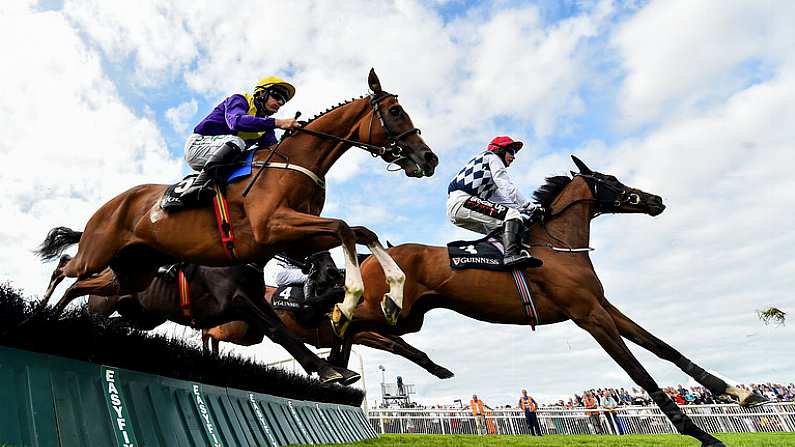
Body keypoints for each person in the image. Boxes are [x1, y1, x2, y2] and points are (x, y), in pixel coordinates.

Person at [181, 76, 301, 202]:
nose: (280, 103)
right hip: (198, 145)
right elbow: (236, 122)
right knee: (237, 142)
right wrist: (278, 122)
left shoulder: (266, 126)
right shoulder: (239, 100)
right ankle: (197, 185)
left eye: (283, 101)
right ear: (262, 93)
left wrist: (292, 138)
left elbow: (272, 151)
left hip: (222, 157)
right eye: (277, 96)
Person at [447, 136, 545, 268]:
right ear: (499, 150)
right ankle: (510, 256)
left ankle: (496, 260)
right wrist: (532, 208)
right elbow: (507, 186)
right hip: (461, 201)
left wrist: (530, 211)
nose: (514, 157)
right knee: (511, 216)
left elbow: (508, 203)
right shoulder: (492, 157)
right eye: (512, 151)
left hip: (459, 209)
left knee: (504, 227)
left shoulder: (489, 182)